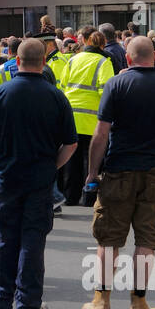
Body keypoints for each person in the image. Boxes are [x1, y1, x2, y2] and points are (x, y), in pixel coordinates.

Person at [82, 36, 155, 309]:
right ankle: (139, 305)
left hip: (119, 169)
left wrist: (92, 173)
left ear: (127, 59)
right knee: (147, 240)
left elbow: (101, 134)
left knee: (109, 239)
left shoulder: (117, 83)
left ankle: (101, 301)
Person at [0, 38, 78, 309]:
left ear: (15, 60)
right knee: (33, 238)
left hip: (7, 176)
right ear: (44, 62)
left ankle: (0, 298)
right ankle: (28, 302)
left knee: (4, 237)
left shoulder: (0, 93)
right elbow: (70, 144)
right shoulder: (56, 96)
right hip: (40, 177)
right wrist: (53, 166)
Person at [59, 28, 116, 205]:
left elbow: (62, 86)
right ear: (103, 44)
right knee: (91, 160)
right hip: (92, 118)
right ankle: (89, 197)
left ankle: (70, 196)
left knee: (71, 159)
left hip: (71, 117)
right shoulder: (104, 62)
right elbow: (106, 91)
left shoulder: (73, 59)